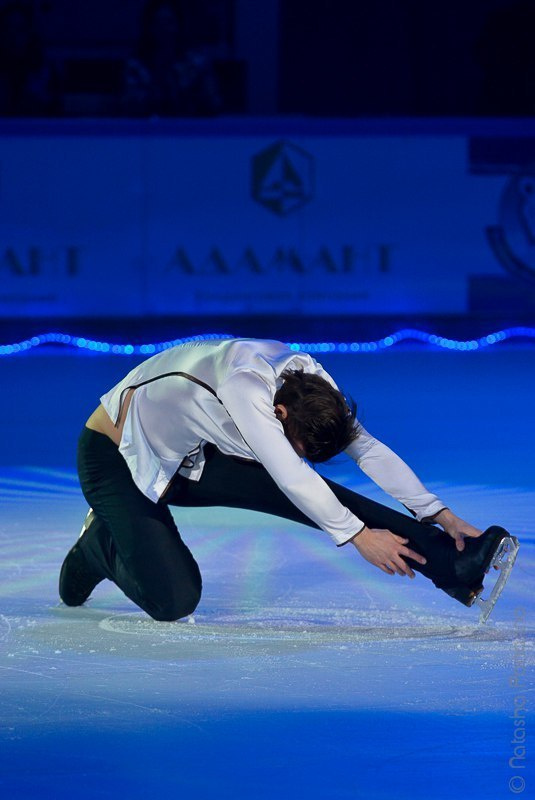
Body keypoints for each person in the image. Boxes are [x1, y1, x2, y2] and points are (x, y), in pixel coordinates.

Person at [59, 337, 517, 622]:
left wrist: (439, 512)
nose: (304, 456)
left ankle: (451, 566)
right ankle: (97, 546)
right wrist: (356, 536)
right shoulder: (244, 388)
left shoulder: (309, 379)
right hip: (116, 459)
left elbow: (366, 447)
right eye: (299, 445)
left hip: (191, 456)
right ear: (279, 415)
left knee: (324, 493)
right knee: (175, 600)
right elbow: (293, 478)